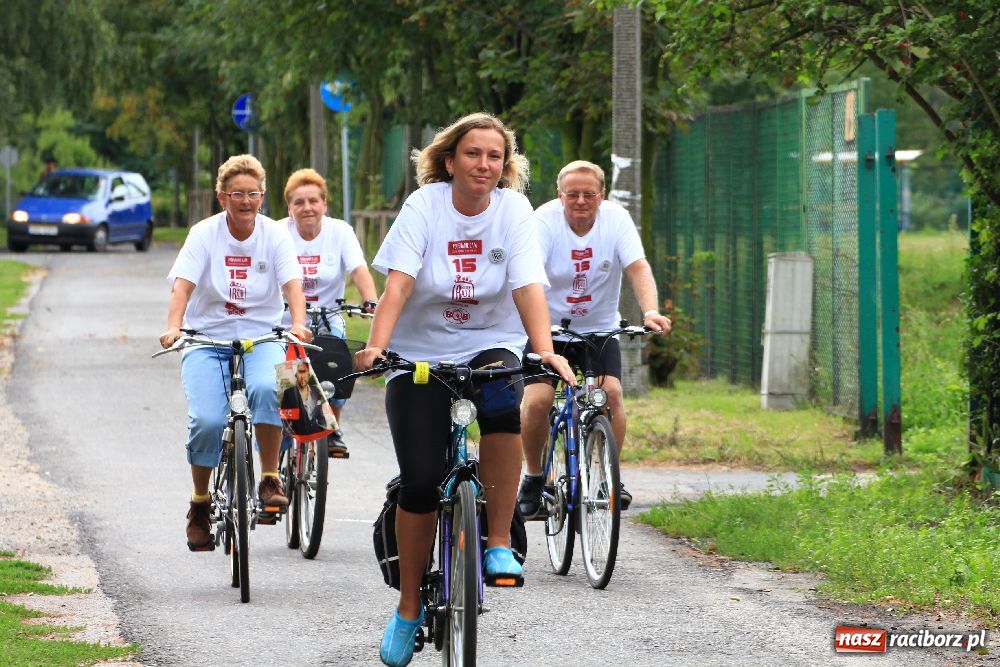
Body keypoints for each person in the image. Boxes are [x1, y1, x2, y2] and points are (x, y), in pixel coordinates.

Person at [353, 112, 575, 667]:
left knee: (502, 405)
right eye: (473, 154)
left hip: (490, 342)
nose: (484, 164)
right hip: (419, 353)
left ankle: (497, 542)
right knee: (421, 482)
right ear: (449, 161)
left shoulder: (513, 210)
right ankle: (408, 607)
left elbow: (527, 285)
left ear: (506, 165)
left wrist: (544, 348)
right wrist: (377, 347)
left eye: (495, 156)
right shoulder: (424, 206)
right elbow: (399, 285)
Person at [159, 154, 312, 551]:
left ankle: (269, 478)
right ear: (222, 197)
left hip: (262, 336)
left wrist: (298, 321)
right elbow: (182, 286)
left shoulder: (275, 234)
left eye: (253, 194)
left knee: (270, 388)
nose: (245, 201)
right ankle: (200, 502)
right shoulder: (204, 234)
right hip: (207, 338)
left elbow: (293, 284)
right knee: (208, 420)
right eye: (237, 194)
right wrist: (174, 326)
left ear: (262, 196)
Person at [517, 160, 672, 517]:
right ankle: (535, 476)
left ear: (601, 196)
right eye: (572, 194)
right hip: (548, 330)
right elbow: (529, 278)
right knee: (538, 401)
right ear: (560, 195)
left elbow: (638, 267)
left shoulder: (616, 220)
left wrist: (650, 311)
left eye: (589, 194)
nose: (581, 201)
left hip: (599, 330)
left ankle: (608, 477)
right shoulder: (544, 221)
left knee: (611, 394)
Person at [279, 168, 378, 455]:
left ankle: (331, 427)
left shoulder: (340, 231)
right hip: (287, 318)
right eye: (299, 202)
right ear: (290, 208)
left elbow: (358, 269)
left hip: (329, 314)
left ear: (325, 204)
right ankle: (285, 437)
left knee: (339, 363)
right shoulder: (278, 233)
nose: (307, 207)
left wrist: (371, 300)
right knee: (292, 377)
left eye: (314, 200)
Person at [280, 360, 328, 435]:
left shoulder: (316, 391)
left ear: (309, 374)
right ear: (295, 375)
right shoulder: (289, 393)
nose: (302, 376)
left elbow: (320, 414)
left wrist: (323, 428)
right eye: (300, 372)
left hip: (315, 432)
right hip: (297, 433)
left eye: (304, 372)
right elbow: (285, 417)